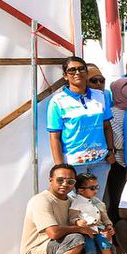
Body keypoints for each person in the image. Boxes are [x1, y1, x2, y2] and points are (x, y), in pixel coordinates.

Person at [47, 57, 116, 202]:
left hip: (100, 161)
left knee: (97, 203)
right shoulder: (57, 101)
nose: (77, 72)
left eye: (81, 69)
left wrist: (111, 150)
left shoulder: (100, 96)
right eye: (72, 70)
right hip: (74, 163)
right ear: (65, 75)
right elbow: (55, 137)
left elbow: (107, 126)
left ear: (86, 72)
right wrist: (60, 167)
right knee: (75, 206)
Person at [68, 173, 117, 254]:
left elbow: (104, 216)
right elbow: (72, 218)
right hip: (87, 232)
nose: (95, 190)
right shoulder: (76, 203)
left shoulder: (97, 201)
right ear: (80, 190)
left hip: (98, 230)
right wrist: (78, 222)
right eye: (92, 188)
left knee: (106, 246)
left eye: (96, 187)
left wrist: (109, 225)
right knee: (90, 251)